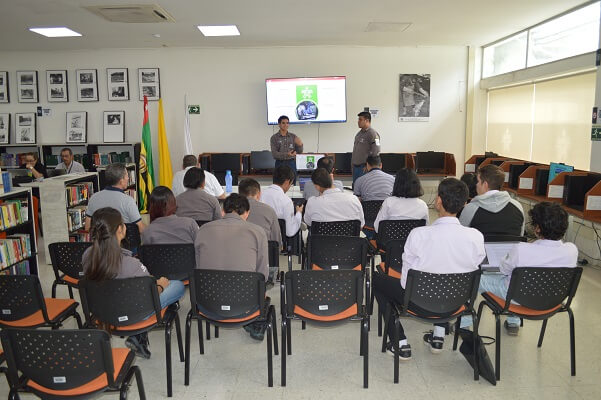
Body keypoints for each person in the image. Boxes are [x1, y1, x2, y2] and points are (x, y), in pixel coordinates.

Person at [373, 178, 485, 360]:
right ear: (465, 203)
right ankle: (438, 336)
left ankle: (399, 342)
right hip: (456, 303)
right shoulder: (476, 237)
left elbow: (405, 281)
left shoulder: (419, 235)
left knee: (378, 281)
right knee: (448, 282)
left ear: (438, 201)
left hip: (418, 301)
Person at [460, 202, 578, 335]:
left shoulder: (522, 249)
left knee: (476, 279)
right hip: (553, 299)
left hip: (517, 298)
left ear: (537, 228)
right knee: (517, 281)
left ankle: (464, 323)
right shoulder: (572, 251)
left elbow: (504, 270)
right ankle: (513, 322)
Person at [82, 207, 185, 359]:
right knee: (177, 286)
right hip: (135, 311)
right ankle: (138, 336)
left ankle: (139, 337)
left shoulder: (87, 256)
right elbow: (149, 295)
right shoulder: (131, 264)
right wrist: (161, 286)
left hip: (103, 310)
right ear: (120, 230)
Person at [194, 193, 269, 341]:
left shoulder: (202, 230)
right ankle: (255, 324)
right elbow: (262, 275)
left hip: (208, 303)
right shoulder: (258, 232)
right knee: (264, 289)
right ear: (247, 213)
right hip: (246, 304)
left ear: (223, 212)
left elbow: (198, 266)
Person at [459, 164, 525, 236]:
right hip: (511, 247)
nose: (476, 185)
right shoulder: (518, 206)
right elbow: (520, 236)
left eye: (478, 181)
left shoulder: (471, 208)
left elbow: (462, 236)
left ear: (485, 184)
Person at [85, 163, 146, 233]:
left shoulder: (93, 198)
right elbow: (141, 229)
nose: (128, 178)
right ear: (121, 180)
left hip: (100, 242)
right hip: (124, 242)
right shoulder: (128, 201)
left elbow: (87, 228)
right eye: (127, 176)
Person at [374, 168, 429, 232]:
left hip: (390, 241)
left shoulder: (389, 202)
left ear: (397, 184)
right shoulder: (423, 205)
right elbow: (426, 229)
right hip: (414, 241)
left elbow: (377, 227)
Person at [261, 165, 303, 238]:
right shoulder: (286, 201)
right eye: (291, 184)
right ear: (287, 182)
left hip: (261, 238)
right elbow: (290, 232)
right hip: (278, 243)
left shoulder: (260, 194)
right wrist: (299, 213)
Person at [238, 178, 282, 245]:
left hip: (239, 252)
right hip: (265, 252)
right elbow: (276, 241)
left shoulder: (232, 211)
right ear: (258, 194)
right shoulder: (270, 211)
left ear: (239, 194)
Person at [270, 115, 303, 183]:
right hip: (279, 163)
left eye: (287, 123)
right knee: (278, 183)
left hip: (291, 163)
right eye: (283, 123)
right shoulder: (274, 138)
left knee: (292, 183)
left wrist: (300, 145)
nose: (286, 125)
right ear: (279, 124)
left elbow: (299, 152)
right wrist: (287, 154)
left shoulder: (293, 136)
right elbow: (274, 154)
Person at [352, 111, 381, 184]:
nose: (358, 122)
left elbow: (376, 150)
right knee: (356, 188)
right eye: (358, 119)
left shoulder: (373, 133)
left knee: (364, 188)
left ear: (367, 120)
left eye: (360, 119)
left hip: (364, 167)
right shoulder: (359, 133)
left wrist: (369, 164)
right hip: (356, 167)